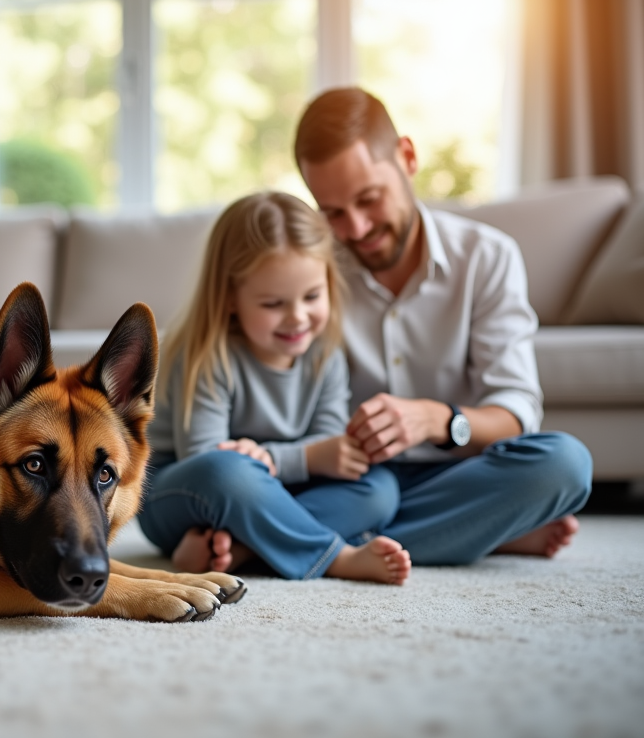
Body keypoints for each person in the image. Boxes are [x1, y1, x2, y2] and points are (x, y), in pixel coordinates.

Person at [293, 87, 592, 565]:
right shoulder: (310, 270)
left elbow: (515, 414)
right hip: (351, 482)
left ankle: (301, 542)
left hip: (453, 474)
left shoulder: (487, 257)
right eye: (333, 213)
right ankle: (478, 532)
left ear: (407, 157)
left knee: (565, 465)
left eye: (369, 199)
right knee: (356, 495)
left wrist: (435, 419)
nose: (356, 228)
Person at [137, 192, 413, 585]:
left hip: (266, 496)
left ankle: (243, 550)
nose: (297, 317)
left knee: (380, 489)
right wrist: (293, 460)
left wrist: (274, 459)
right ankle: (336, 557)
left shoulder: (325, 354)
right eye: (273, 304)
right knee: (228, 470)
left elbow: (331, 448)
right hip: (184, 497)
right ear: (230, 298)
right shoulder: (208, 355)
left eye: (312, 296)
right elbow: (205, 460)